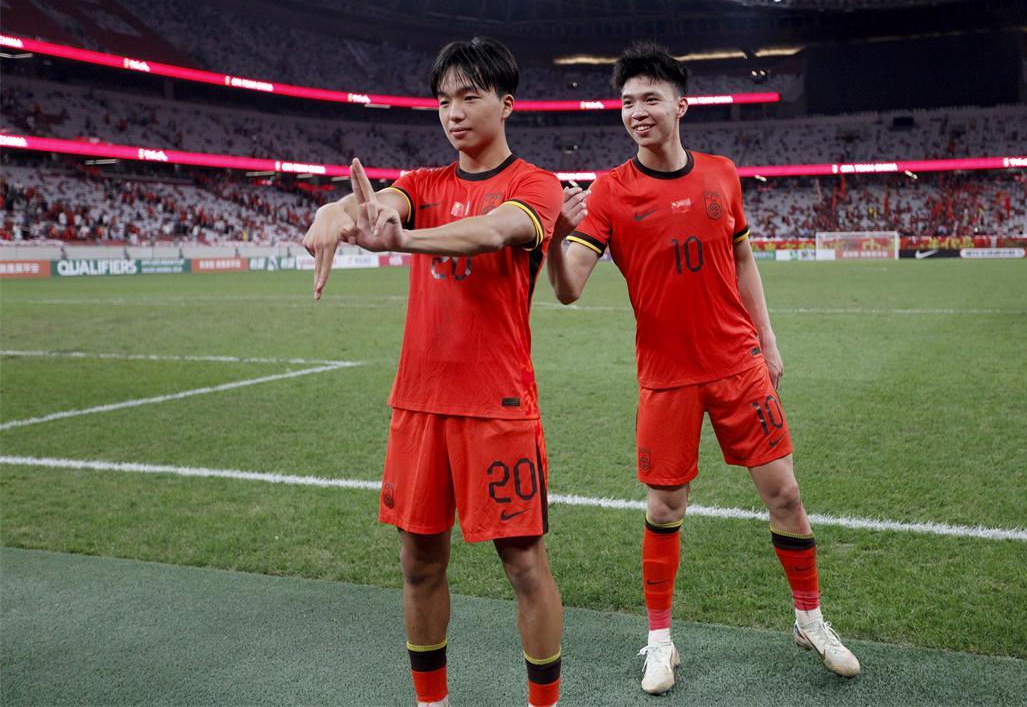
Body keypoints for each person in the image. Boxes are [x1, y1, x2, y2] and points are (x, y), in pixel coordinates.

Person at [546, 42, 859, 696]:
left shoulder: (721, 174)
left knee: (786, 495)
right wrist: (554, 238)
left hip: (738, 364)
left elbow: (742, 260)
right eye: (627, 102)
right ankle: (660, 641)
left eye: (650, 98)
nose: (637, 111)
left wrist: (768, 341)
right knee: (666, 505)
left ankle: (810, 621)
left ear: (680, 105)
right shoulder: (608, 193)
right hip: (666, 376)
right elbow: (569, 289)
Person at [302, 38, 564, 707]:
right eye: (444, 100)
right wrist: (333, 214)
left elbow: (493, 232)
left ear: (506, 104)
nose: (454, 112)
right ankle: (432, 702)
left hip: (498, 406)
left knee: (524, 565)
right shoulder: (421, 184)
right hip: (419, 404)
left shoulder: (534, 185)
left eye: (470, 97)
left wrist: (404, 240)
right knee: (418, 562)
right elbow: (381, 206)